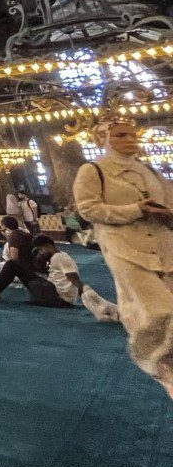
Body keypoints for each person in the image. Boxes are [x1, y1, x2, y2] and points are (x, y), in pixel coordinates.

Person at [74, 117, 173, 397]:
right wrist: (136, 210)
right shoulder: (93, 170)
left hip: (163, 246)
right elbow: (88, 208)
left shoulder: (149, 170)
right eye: (120, 135)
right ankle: (160, 368)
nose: (129, 140)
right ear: (103, 139)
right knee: (157, 310)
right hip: (124, 246)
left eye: (132, 134)